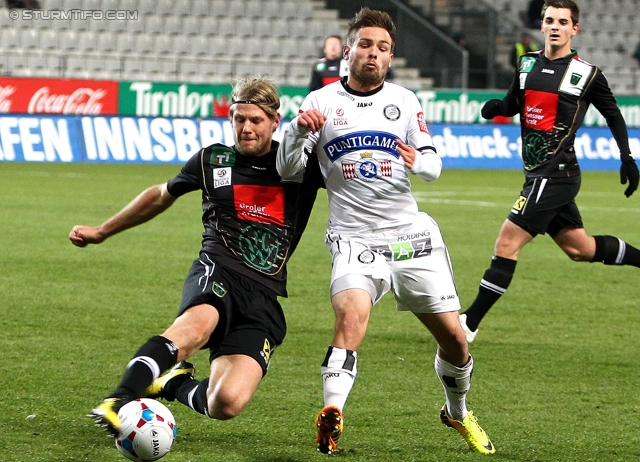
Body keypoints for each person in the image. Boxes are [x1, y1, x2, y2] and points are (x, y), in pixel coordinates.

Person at [277, 7, 495, 456]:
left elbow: (433, 165)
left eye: (382, 48)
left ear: (390, 57)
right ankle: (332, 415)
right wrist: (297, 131)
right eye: (365, 44)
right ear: (349, 49)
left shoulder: (405, 101)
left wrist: (420, 162)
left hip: (410, 238)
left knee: (455, 340)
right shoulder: (319, 103)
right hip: (354, 237)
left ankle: (456, 410)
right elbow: (286, 168)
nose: (372, 53)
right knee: (351, 317)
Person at [70, 77, 311, 438]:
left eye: (255, 120)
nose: (245, 128)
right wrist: (102, 231)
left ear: (275, 122)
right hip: (218, 270)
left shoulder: (298, 168)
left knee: (226, 403)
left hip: (263, 293)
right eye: (238, 119)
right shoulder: (213, 159)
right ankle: (119, 400)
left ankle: (172, 384)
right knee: (193, 330)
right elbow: (160, 195)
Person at [459, 0, 640, 343]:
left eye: (562, 21)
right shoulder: (526, 64)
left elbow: (613, 114)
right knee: (580, 249)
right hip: (537, 173)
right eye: (549, 20)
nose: (555, 26)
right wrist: (498, 107)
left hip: (556, 173)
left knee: (506, 241)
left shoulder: (586, 73)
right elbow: (514, 102)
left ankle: (469, 322)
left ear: (575, 29)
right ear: (541, 25)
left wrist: (626, 157)